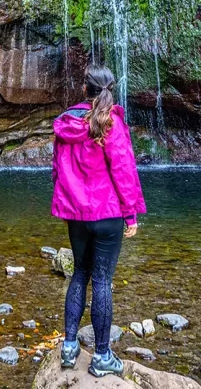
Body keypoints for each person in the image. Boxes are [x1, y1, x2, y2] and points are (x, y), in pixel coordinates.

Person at [51, 65, 146, 377]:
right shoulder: (110, 122)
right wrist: (130, 213)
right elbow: (124, 170)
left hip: (77, 214)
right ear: (109, 90)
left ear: (84, 90)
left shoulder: (66, 122)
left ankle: (68, 347)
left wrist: (67, 206)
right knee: (102, 280)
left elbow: (57, 170)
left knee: (79, 274)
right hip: (107, 213)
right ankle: (102, 355)